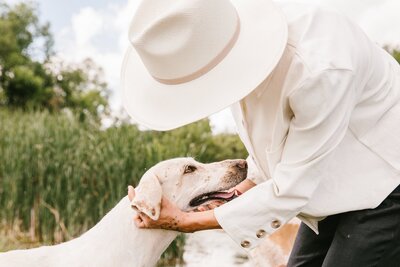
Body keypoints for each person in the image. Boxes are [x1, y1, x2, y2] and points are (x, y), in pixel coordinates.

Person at [122, 0, 400, 265]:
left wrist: (187, 222)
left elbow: (290, 189)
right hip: (329, 177)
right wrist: (239, 190)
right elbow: (278, 141)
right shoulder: (230, 58)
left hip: (388, 177)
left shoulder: (319, 67)